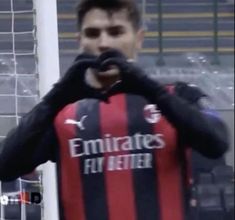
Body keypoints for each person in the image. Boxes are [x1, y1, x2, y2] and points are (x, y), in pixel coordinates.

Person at [0, 0, 229, 219]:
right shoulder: (63, 111)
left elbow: (217, 143)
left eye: (116, 32)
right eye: (93, 34)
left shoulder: (178, 97)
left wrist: (150, 90)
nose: (104, 43)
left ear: (138, 38)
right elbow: (5, 166)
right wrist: (54, 98)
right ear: (79, 41)